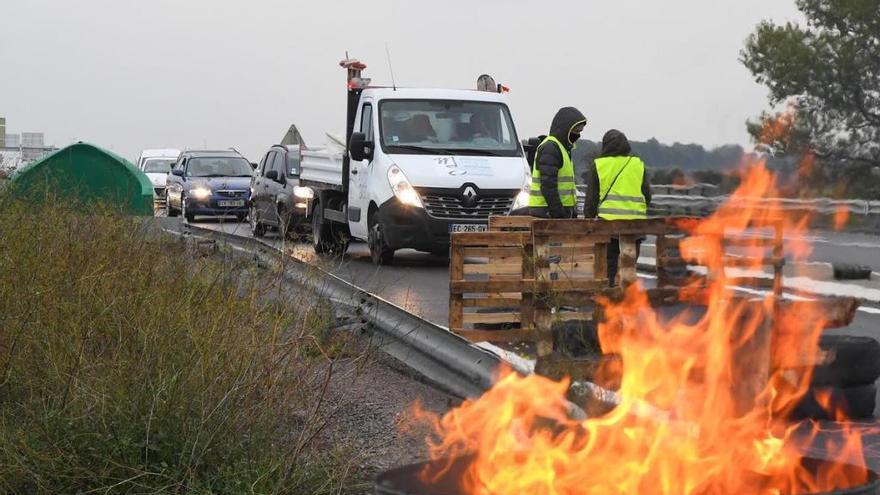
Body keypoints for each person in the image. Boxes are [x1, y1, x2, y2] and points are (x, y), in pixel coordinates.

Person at [583, 129, 651, 285]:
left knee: (608, 269)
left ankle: (609, 302)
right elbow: (647, 195)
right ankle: (627, 303)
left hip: (608, 226)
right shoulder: (637, 164)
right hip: (636, 226)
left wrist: (588, 221)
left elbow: (591, 199)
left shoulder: (600, 165)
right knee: (629, 268)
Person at [529, 107, 587, 218]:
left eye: (579, 132)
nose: (578, 135)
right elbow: (548, 185)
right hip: (547, 212)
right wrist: (559, 214)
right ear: (566, 129)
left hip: (555, 211)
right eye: (576, 131)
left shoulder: (562, 148)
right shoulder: (551, 147)